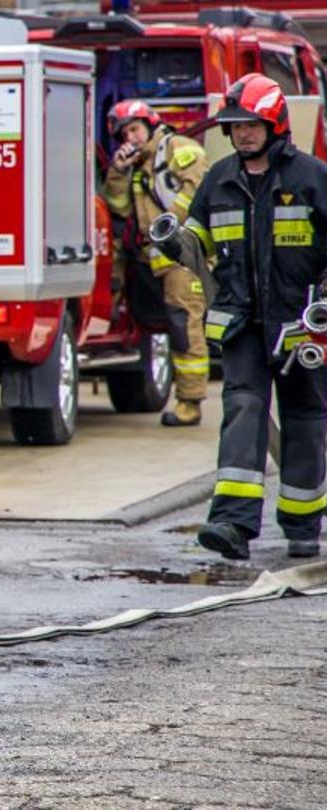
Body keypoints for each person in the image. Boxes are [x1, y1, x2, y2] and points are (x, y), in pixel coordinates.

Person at [177, 74, 327, 560]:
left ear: (274, 124)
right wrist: (175, 244)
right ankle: (232, 525)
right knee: (242, 412)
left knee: (305, 422)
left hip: (301, 324)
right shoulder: (219, 178)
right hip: (241, 324)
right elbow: (197, 235)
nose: (242, 133)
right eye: (235, 125)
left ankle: (303, 525)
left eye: (251, 124)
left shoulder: (311, 178)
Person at [100, 98, 213, 426]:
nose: (130, 139)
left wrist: (168, 226)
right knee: (162, 322)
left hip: (182, 252)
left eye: (134, 130)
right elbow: (118, 209)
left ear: (150, 125)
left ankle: (189, 402)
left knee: (183, 322)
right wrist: (118, 172)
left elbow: (198, 190)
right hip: (153, 258)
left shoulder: (177, 149)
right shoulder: (135, 167)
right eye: (124, 135)